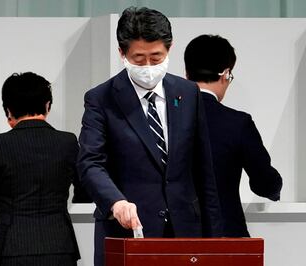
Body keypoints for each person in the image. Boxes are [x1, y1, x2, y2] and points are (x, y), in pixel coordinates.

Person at [77, 7, 222, 266]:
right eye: (138, 58)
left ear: (170, 48)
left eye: (156, 58)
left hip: (184, 231)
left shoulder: (188, 93)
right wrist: (116, 202)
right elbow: (90, 163)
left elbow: (204, 171)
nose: (148, 67)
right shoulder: (101, 98)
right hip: (128, 232)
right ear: (122, 53)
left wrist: (214, 241)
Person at [0, 72, 81, 266]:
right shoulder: (68, 142)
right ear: (47, 105)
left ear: (8, 109)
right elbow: (85, 191)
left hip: (11, 246)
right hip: (59, 246)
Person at [184, 34, 283, 237]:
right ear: (226, 74)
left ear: (186, 73)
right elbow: (264, 182)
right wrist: (275, 188)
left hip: (173, 239)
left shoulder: (164, 118)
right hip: (225, 235)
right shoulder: (238, 123)